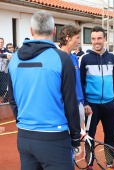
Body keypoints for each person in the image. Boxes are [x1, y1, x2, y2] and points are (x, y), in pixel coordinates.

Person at [8, 10, 81, 170]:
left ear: (31, 31)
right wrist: (76, 138)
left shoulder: (14, 59)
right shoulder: (62, 59)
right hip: (55, 138)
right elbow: (71, 102)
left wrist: (22, 122)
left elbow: (12, 99)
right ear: (54, 31)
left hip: (25, 137)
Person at [80, 26, 114, 170]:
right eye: (93, 39)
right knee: (89, 136)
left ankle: (109, 162)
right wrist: (85, 103)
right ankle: (89, 164)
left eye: (99, 38)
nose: (96, 42)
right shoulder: (84, 59)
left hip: (110, 104)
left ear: (104, 39)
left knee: (110, 136)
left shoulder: (112, 58)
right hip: (91, 105)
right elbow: (81, 83)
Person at [58, 24, 92, 126]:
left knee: (76, 139)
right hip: (64, 107)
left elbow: (78, 82)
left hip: (78, 105)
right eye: (77, 38)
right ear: (68, 38)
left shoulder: (74, 58)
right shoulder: (56, 58)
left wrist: (83, 103)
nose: (79, 41)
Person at [0, 38, 12, 102]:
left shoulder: (5, 50)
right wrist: (5, 55)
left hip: (3, 72)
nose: (1, 43)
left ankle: (2, 100)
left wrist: (10, 56)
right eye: (0, 42)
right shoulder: (4, 53)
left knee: (3, 88)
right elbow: (2, 55)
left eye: (2, 42)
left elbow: (11, 54)